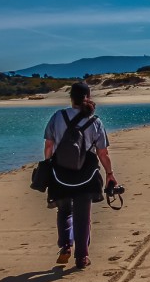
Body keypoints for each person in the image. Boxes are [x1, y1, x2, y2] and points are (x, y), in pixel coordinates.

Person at [44, 82, 116, 270]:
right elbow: (103, 153)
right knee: (83, 216)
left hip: (60, 173)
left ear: (71, 98)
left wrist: (48, 164)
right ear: (88, 97)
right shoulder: (96, 121)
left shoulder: (58, 116)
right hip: (87, 174)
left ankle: (66, 246)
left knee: (64, 210)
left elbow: (49, 147)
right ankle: (82, 257)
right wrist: (110, 173)